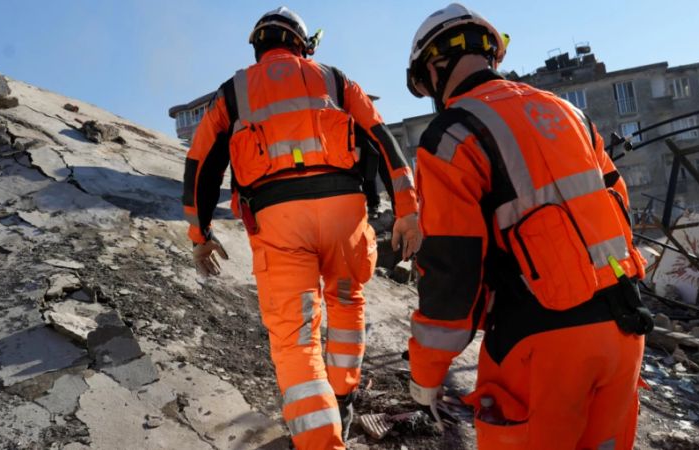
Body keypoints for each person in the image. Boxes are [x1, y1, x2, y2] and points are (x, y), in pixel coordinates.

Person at [404, 4, 652, 449]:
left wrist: (425, 376)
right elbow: (619, 210)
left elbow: (450, 272)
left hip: (540, 344)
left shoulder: (452, 135)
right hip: (625, 332)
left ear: (436, 66)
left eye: (424, 85)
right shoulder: (569, 114)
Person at [181, 7, 421, 449]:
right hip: (344, 216)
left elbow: (201, 164)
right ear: (302, 44)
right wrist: (406, 208)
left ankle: (319, 440)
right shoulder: (334, 79)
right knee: (347, 304)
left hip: (277, 222)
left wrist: (200, 236)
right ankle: (343, 396)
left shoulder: (233, 92)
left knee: (295, 341)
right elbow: (382, 138)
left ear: (258, 47)